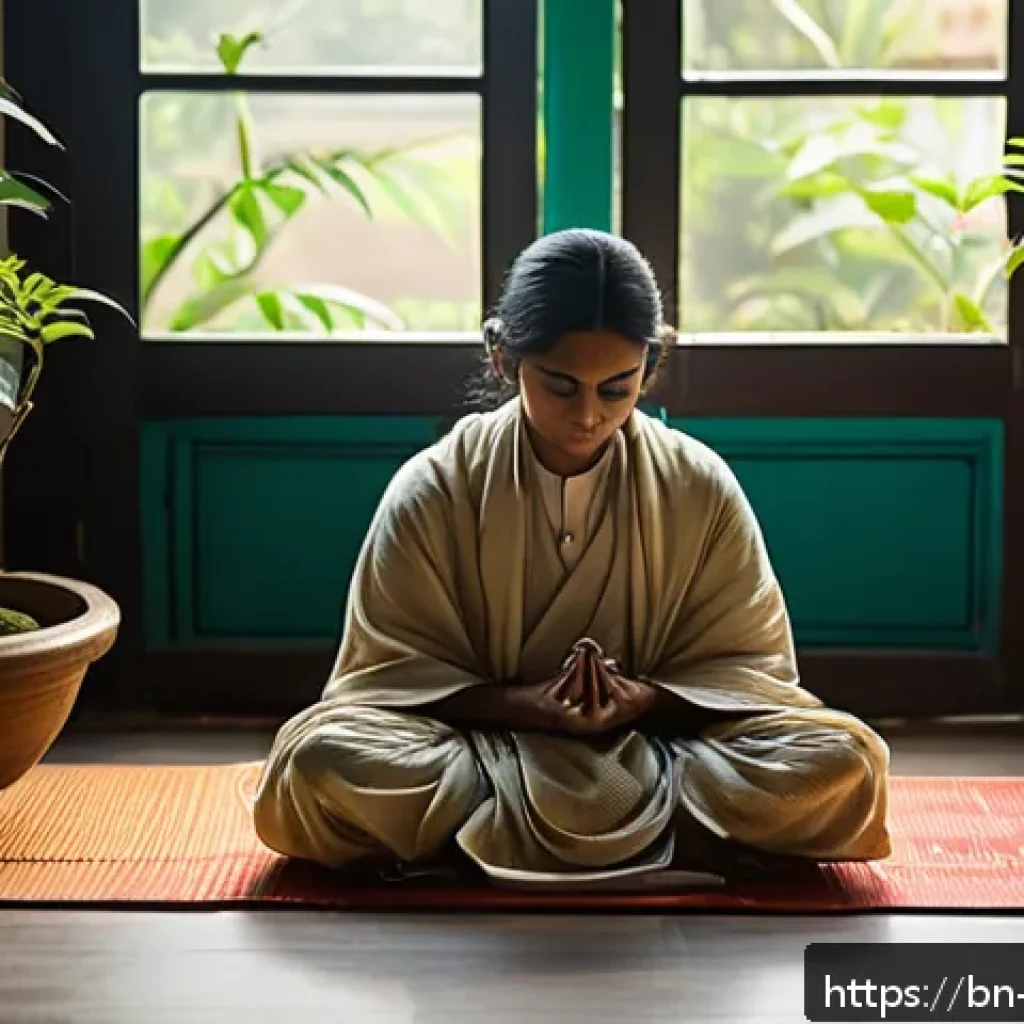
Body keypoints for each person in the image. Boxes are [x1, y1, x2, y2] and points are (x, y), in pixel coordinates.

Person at [253, 229, 890, 886]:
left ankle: (472, 847)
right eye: (561, 386)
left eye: (616, 388)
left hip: (660, 754)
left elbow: (752, 677)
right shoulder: (436, 487)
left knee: (842, 763)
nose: (588, 415)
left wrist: (643, 700)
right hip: (477, 755)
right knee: (320, 764)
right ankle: (678, 843)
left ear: (652, 362)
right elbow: (384, 681)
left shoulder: (697, 484)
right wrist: (526, 707)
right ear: (503, 358)